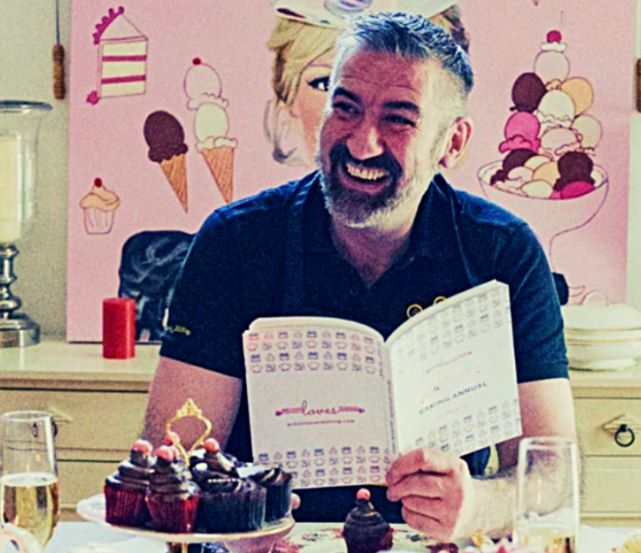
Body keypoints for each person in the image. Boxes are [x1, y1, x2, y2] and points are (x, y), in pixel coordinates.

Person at [144, 11, 577, 541]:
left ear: (453, 143)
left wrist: (480, 504)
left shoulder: (503, 252)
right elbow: (172, 461)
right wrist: (228, 521)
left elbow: (555, 476)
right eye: (344, 108)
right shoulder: (236, 242)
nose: (362, 142)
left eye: (399, 118)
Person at [264, 2, 470, 166]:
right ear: (289, 99)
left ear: (452, 137)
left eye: (403, 96)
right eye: (327, 84)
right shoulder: (246, 218)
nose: (364, 145)